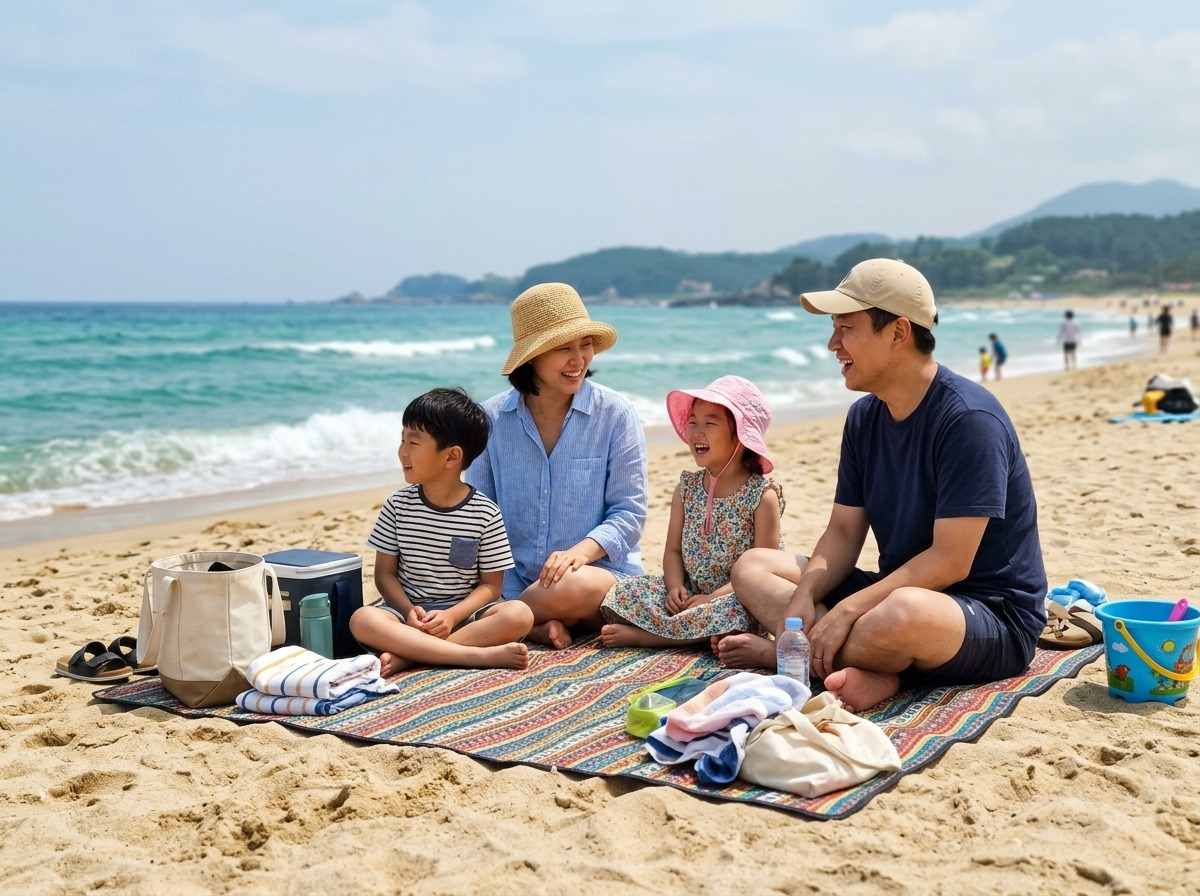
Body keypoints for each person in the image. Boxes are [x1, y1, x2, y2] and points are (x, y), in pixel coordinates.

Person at [718, 259, 1047, 711]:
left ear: (897, 333)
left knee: (902, 612)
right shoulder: (864, 417)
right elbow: (842, 533)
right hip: (896, 590)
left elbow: (950, 561)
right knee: (753, 566)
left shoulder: (969, 420)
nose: (833, 344)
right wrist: (802, 599)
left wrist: (846, 612)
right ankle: (861, 662)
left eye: (846, 329)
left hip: (986, 614)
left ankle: (813, 659)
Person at [467, 282, 648, 649]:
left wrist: (579, 553)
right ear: (531, 356)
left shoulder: (615, 414)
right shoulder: (490, 420)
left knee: (568, 584)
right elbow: (477, 515)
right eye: (564, 348)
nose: (579, 359)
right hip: (513, 580)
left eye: (585, 345)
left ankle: (493, 626)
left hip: (595, 578)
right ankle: (529, 624)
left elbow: (629, 513)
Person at [350, 388, 535, 674]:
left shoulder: (485, 512)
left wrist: (451, 615)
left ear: (451, 457)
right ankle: (472, 656)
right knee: (362, 619)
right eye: (402, 440)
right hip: (407, 616)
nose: (402, 451)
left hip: (463, 616)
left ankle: (412, 657)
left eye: (413, 442)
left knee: (519, 614)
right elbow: (384, 574)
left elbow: (491, 586)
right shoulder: (397, 506)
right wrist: (408, 610)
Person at [598, 375, 783, 648]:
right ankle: (687, 633)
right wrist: (674, 587)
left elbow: (764, 574)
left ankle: (652, 637)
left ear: (741, 436)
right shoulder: (687, 489)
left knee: (733, 616)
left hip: (735, 597)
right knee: (627, 592)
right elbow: (672, 551)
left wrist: (712, 599)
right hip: (691, 591)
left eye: (710, 423)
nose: (697, 431)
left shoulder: (762, 496)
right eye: (693, 421)